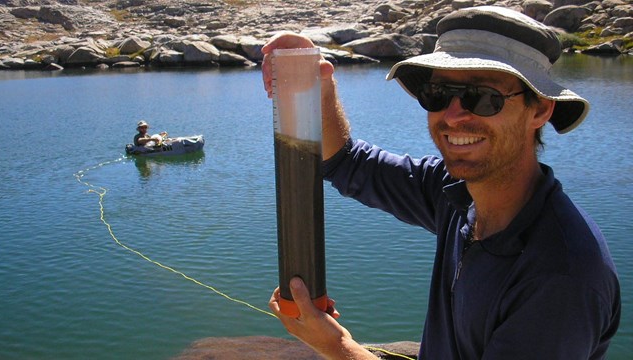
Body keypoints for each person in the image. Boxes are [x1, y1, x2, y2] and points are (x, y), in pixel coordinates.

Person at [262, 6, 620, 360]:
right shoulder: (456, 193)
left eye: (482, 98)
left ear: (540, 110)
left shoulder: (560, 277)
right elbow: (348, 162)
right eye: (438, 94)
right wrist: (321, 84)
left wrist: (335, 346)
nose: (453, 116)